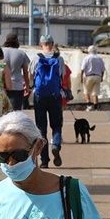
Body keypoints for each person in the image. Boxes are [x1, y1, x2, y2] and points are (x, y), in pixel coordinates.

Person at [30, 35, 67, 168]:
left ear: (41, 44)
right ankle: (56, 145)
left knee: (41, 127)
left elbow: (31, 75)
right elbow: (62, 76)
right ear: (52, 43)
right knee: (56, 125)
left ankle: (44, 160)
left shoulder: (36, 58)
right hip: (55, 95)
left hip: (39, 95)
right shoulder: (59, 59)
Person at [2, 33, 31, 113]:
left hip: (2, 86)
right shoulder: (21, 53)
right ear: (17, 41)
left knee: (2, 114)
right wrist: (27, 87)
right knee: (16, 114)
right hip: (17, 87)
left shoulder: (0, 52)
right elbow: (26, 72)